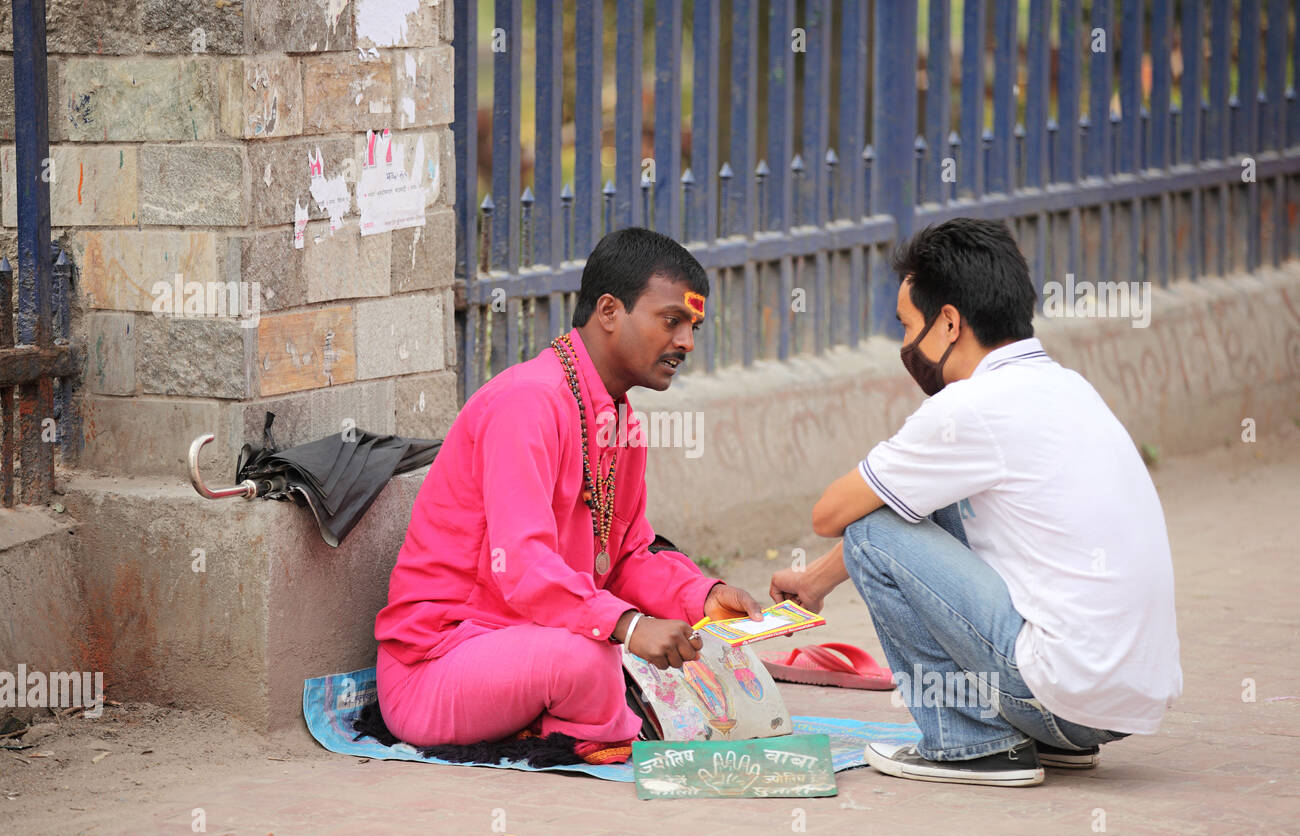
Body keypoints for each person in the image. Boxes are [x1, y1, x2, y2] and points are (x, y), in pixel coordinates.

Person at [769, 217, 1182, 787]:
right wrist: (815, 582)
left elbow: (831, 515)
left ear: (948, 323)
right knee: (915, 502)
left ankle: (970, 741)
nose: (905, 346)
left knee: (869, 533)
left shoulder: (972, 407)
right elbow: (905, 505)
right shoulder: (1067, 387)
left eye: (907, 325)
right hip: (1114, 707)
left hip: (1060, 695)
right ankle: (1031, 737)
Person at [374, 227, 764, 764]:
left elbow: (625, 557)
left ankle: (574, 717)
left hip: (530, 644)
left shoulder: (618, 418)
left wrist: (702, 597)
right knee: (592, 658)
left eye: (693, 326)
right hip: (437, 666)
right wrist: (629, 626)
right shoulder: (527, 403)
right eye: (671, 320)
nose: (686, 343)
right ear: (609, 310)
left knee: (692, 662)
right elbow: (525, 566)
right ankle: (581, 724)